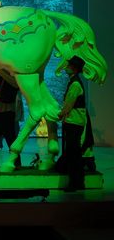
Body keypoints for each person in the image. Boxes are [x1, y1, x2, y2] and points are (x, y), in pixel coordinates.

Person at [57, 56, 94, 191]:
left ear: (74, 68)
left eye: (69, 66)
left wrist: (61, 114)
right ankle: (78, 182)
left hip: (74, 122)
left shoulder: (75, 84)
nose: (66, 67)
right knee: (74, 153)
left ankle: (75, 183)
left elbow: (69, 103)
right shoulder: (74, 82)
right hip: (74, 121)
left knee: (74, 154)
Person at [0, 71, 21, 167]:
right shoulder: (2, 75)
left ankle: (17, 164)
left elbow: (15, 83)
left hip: (8, 113)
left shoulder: (14, 75)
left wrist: (0, 70)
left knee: (11, 141)